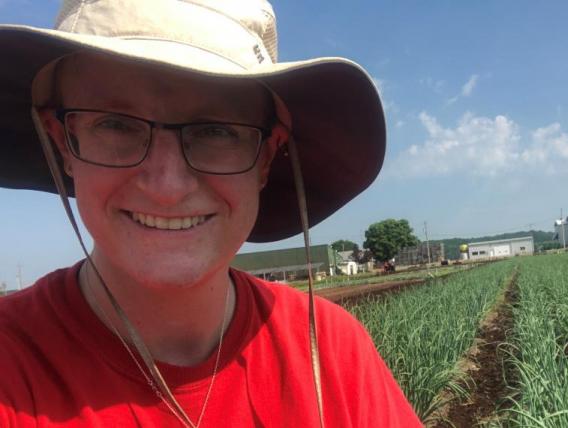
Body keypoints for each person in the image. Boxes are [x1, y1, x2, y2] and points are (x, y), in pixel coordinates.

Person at [0, 1, 422, 426]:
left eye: (216, 130)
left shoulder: (332, 353)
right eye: (115, 124)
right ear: (63, 144)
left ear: (265, 158)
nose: (167, 187)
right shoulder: (12, 368)